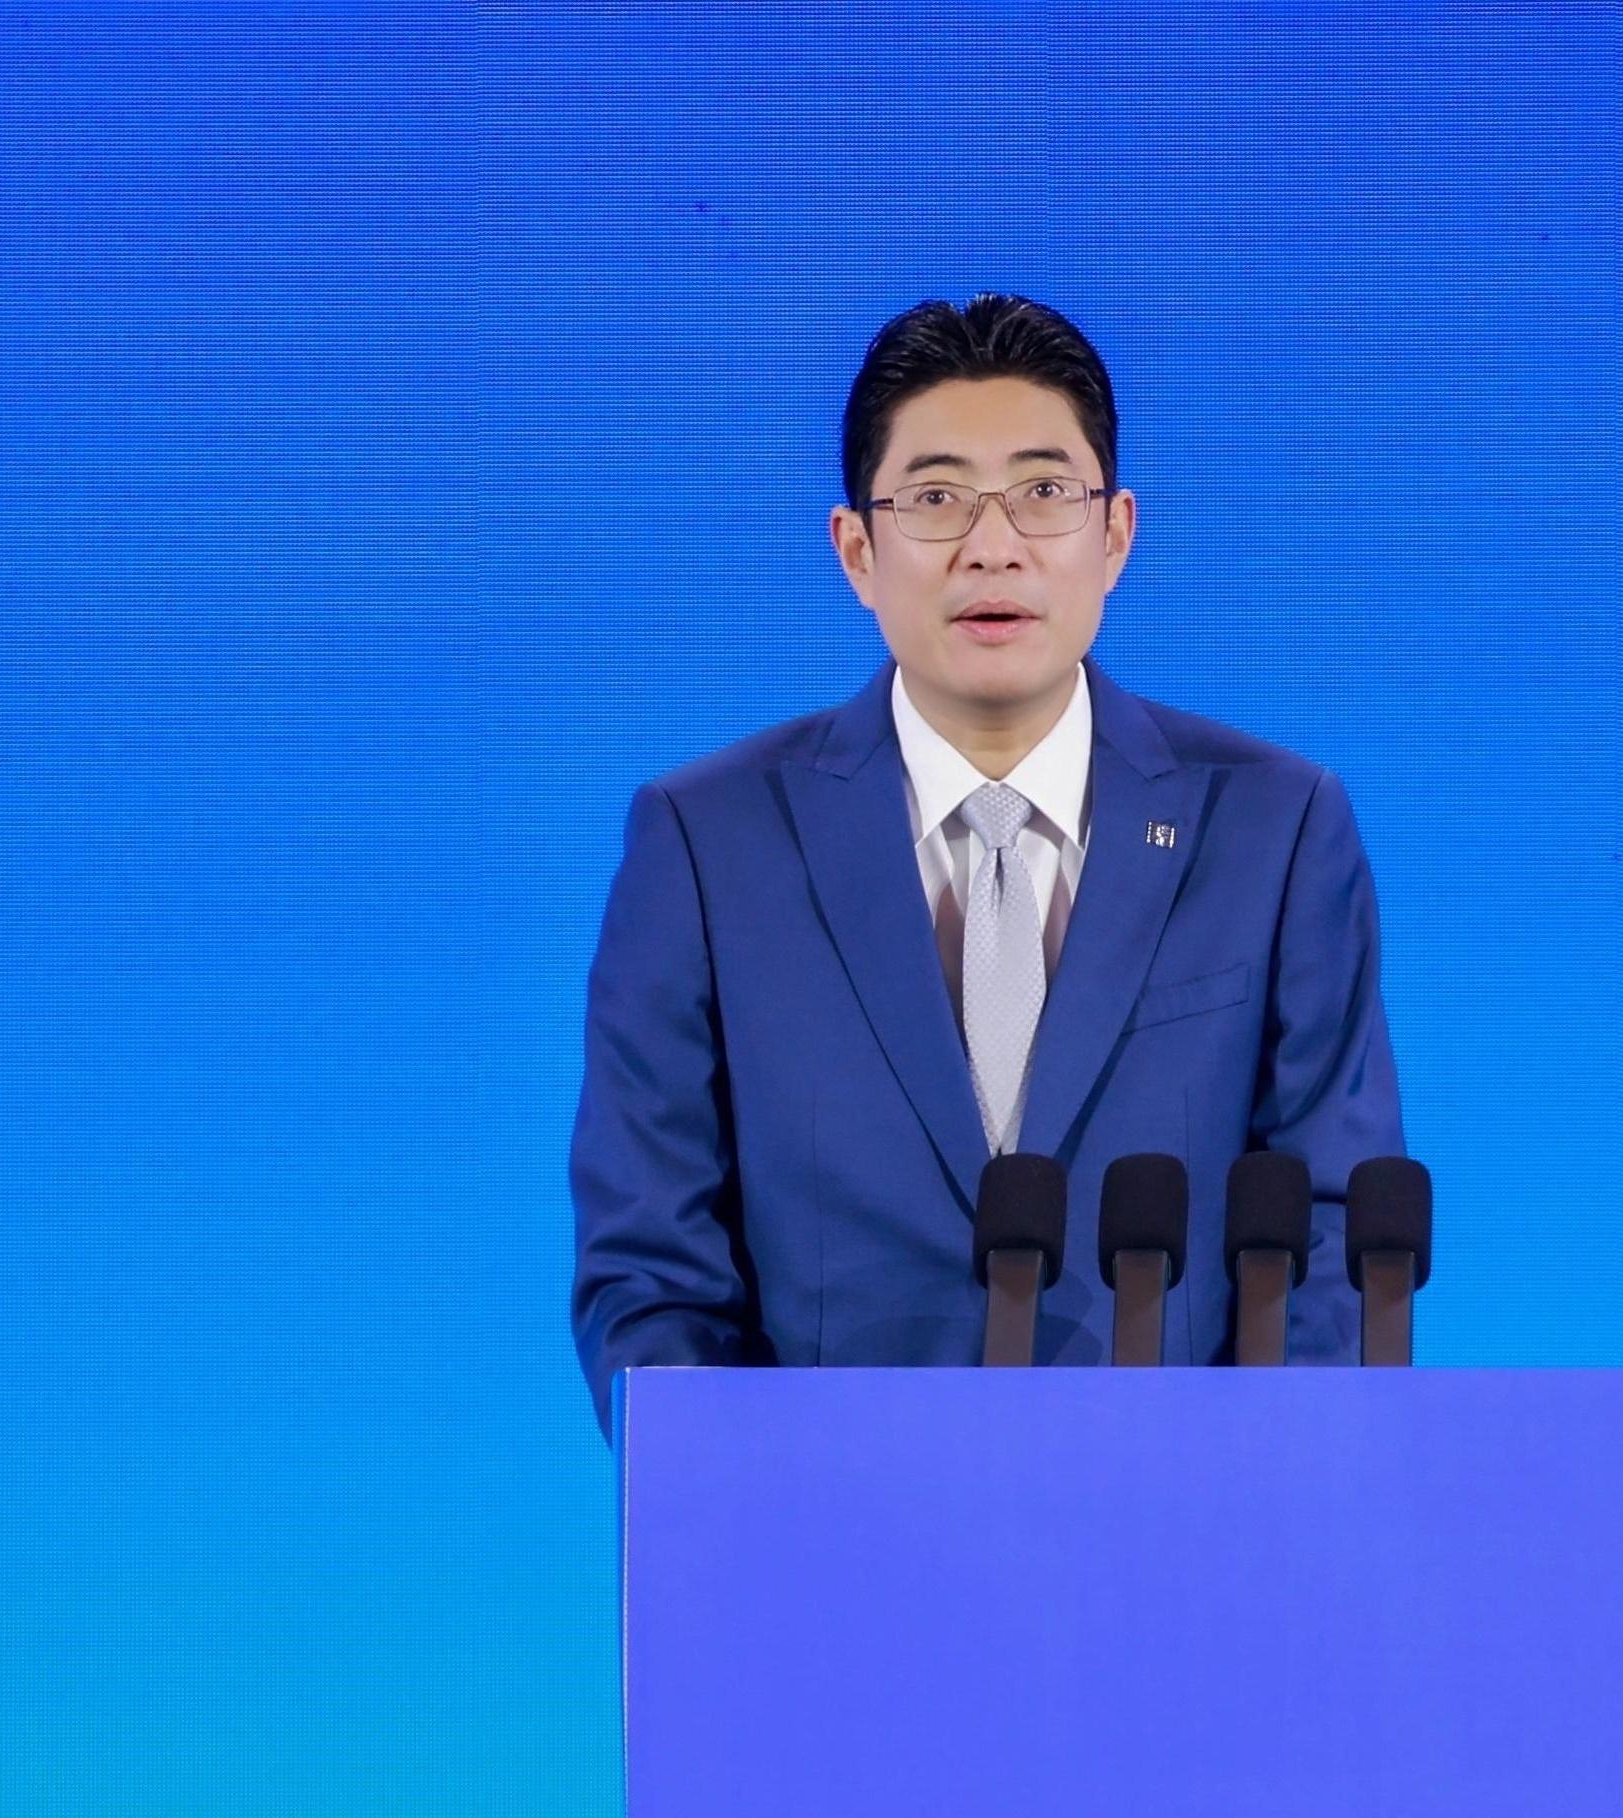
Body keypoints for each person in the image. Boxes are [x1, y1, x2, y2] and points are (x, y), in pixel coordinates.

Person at [570, 294, 1402, 1435]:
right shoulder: (708, 846)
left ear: (1115, 536)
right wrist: (739, 1498)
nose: (993, 545)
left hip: (1178, 1516)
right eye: (937, 498)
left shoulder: (1274, 829)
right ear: (857, 551)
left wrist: (1272, 1497)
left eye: (1044, 492)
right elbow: (650, 1269)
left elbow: (1337, 1230)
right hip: (830, 1518)